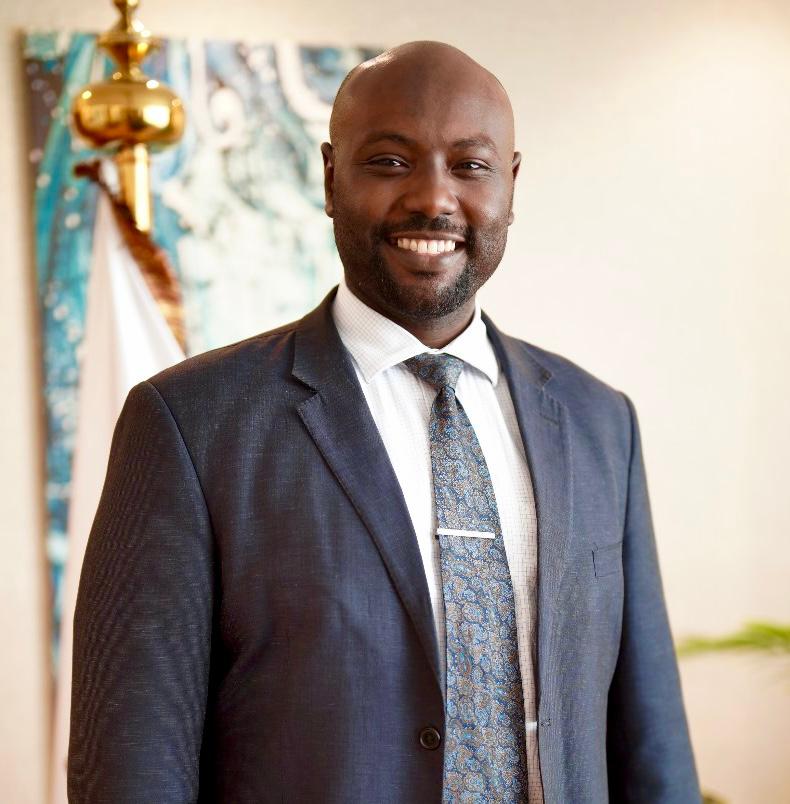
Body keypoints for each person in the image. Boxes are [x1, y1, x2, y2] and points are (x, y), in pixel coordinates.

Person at [68, 41, 700, 803]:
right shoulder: (192, 425)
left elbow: (652, 743)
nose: (433, 198)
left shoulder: (601, 423)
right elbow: (132, 760)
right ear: (331, 178)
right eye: (391, 162)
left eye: (470, 165)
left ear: (511, 184)